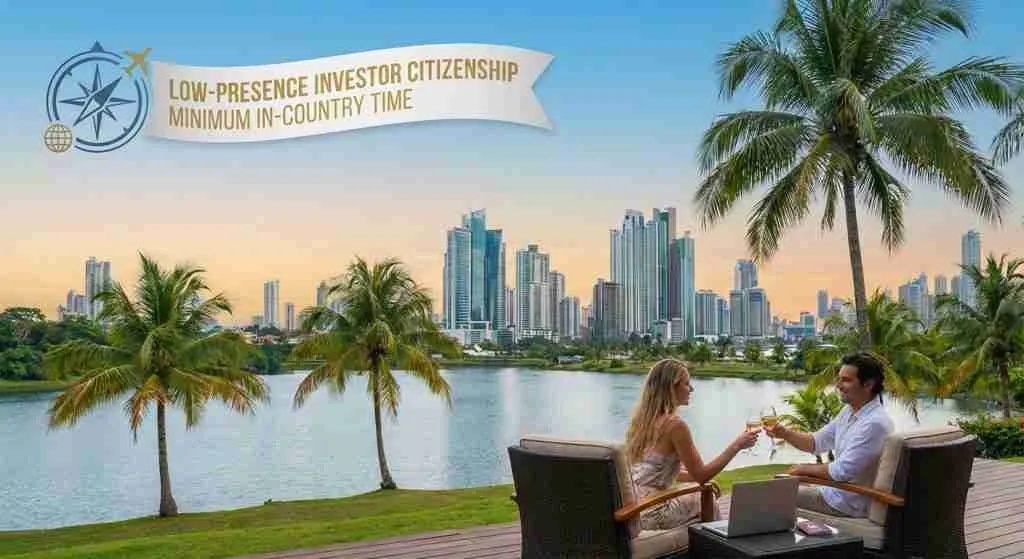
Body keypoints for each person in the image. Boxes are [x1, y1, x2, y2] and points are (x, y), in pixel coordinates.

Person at [625, 359, 759, 530]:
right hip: (653, 512)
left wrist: (693, 481)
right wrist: (737, 446)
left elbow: (652, 472)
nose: (692, 389)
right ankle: (716, 546)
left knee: (701, 489)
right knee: (704, 496)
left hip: (633, 509)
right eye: (687, 383)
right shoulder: (675, 425)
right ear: (671, 388)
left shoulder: (641, 421)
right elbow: (701, 475)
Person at [765, 351, 894, 518]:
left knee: (773, 493)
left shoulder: (875, 424)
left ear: (868, 384)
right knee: (779, 484)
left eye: (846, 380)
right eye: (838, 379)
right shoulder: (849, 412)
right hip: (835, 492)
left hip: (847, 503)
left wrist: (803, 469)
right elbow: (816, 443)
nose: (838, 386)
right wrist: (784, 433)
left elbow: (841, 471)